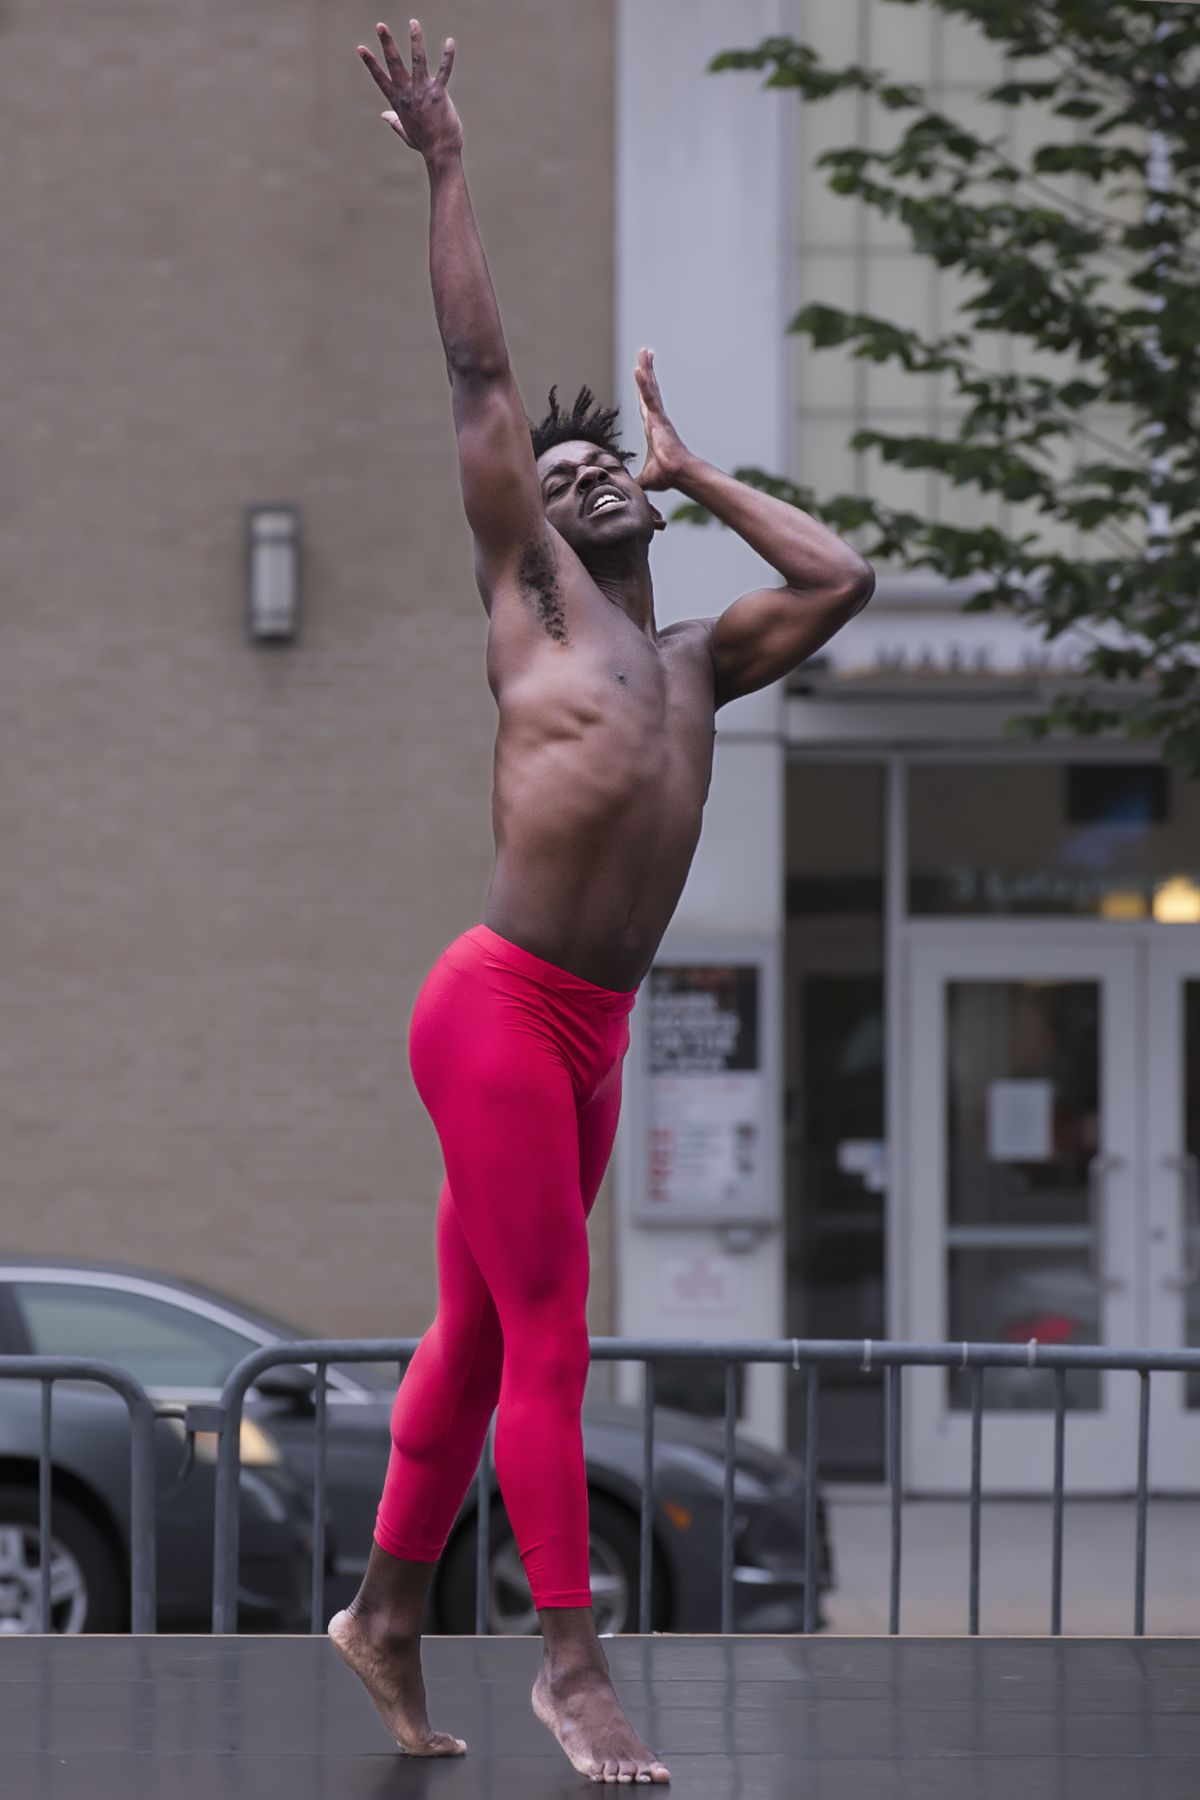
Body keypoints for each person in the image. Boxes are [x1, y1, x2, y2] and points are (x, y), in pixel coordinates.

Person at [330, 19, 874, 1786]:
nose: (582, 487)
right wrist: (448, 163)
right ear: (528, 537)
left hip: (597, 1031)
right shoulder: (537, 616)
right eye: (557, 490)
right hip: (495, 1004)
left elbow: (846, 571)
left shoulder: (705, 664)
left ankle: (382, 1619)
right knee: (552, 1334)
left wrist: (699, 462)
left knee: (481, 1336)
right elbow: (482, 371)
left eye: (605, 475)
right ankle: (575, 1665)